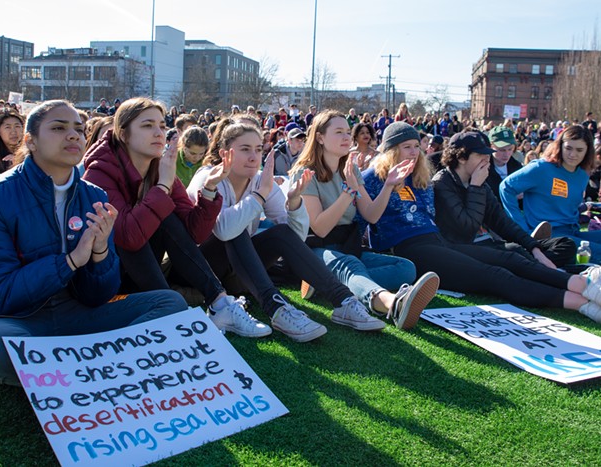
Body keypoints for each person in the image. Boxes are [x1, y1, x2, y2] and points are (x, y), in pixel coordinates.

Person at [0, 100, 188, 386]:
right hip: (17, 320)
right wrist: (69, 262)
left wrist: (99, 254)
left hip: (78, 313)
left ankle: (84, 366)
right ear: (30, 142)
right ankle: (100, 364)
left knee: (170, 304)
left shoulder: (94, 195)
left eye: (79, 130)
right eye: (58, 128)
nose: (73, 135)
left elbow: (97, 296)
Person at [362, 122, 601, 322]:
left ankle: (581, 284)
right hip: (410, 249)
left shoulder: (419, 176)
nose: (415, 152)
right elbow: (365, 219)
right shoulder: (380, 177)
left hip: (439, 242)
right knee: (495, 274)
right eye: (407, 147)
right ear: (392, 151)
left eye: (417, 146)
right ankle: (581, 303)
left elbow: (500, 221)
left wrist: (534, 247)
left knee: (511, 257)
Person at [82, 98, 270, 338]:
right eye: (147, 125)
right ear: (123, 134)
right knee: (141, 218)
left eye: (162, 125)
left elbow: (195, 234)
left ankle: (220, 304)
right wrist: (162, 187)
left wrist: (210, 190)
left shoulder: (161, 166)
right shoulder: (99, 171)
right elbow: (127, 237)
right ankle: (172, 311)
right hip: (108, 283)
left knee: (167, 216)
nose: (159, 132)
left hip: (148, 273)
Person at [189, 120, 389, 342]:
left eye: (258, 149)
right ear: (225, 153)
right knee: (237, 228)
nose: (254, 157)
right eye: (245, 150)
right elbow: (224, 231)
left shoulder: (259, 181)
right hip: (197, 270)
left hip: (236, 274)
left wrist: (293, 203)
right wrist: (259, 196)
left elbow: (295, 238)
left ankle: (343, 301)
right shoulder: (207, 176)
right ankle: (276, 309)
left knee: (280, 232)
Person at [290, 111, 439, 330]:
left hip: (347, 246)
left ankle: (322, 283)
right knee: (352, 265)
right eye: (338, 132)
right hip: (313, 248)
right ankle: (392, 304)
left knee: (406, 268)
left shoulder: (351, 170)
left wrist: (389, 184)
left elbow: (371, 214)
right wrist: (348, 192)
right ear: (320, 137)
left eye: (347, 132)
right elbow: (320, 229)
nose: (346, 138)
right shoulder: (305, 173)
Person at [433, 129, 576, 269]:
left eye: (487, 154)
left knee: (565, 244)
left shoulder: (478, 180)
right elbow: (468, 229)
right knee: (515, 252)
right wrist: (475, 187)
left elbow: (501, 220)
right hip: (465, 249)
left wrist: (533, 247)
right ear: (461, 157)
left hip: (490, 242)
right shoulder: (443, 183)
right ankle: (534, 266)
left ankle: (533, 264)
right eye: (480, 155)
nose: (486, 159)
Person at [501, 125, 601, 260]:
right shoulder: (541, 168)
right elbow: (506, 187)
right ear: (560, 146)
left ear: (587, 151)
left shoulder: (582, 174)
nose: (573, 154)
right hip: (550, 236)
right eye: (568, 148)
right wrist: (522, 228)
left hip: (573, 232)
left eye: (579, 150)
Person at [485, 125, 521, 202]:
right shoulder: (482, 168)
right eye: (502, 150)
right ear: (491, 147)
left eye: (510, 149)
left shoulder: (518, 168)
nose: (506, 154)